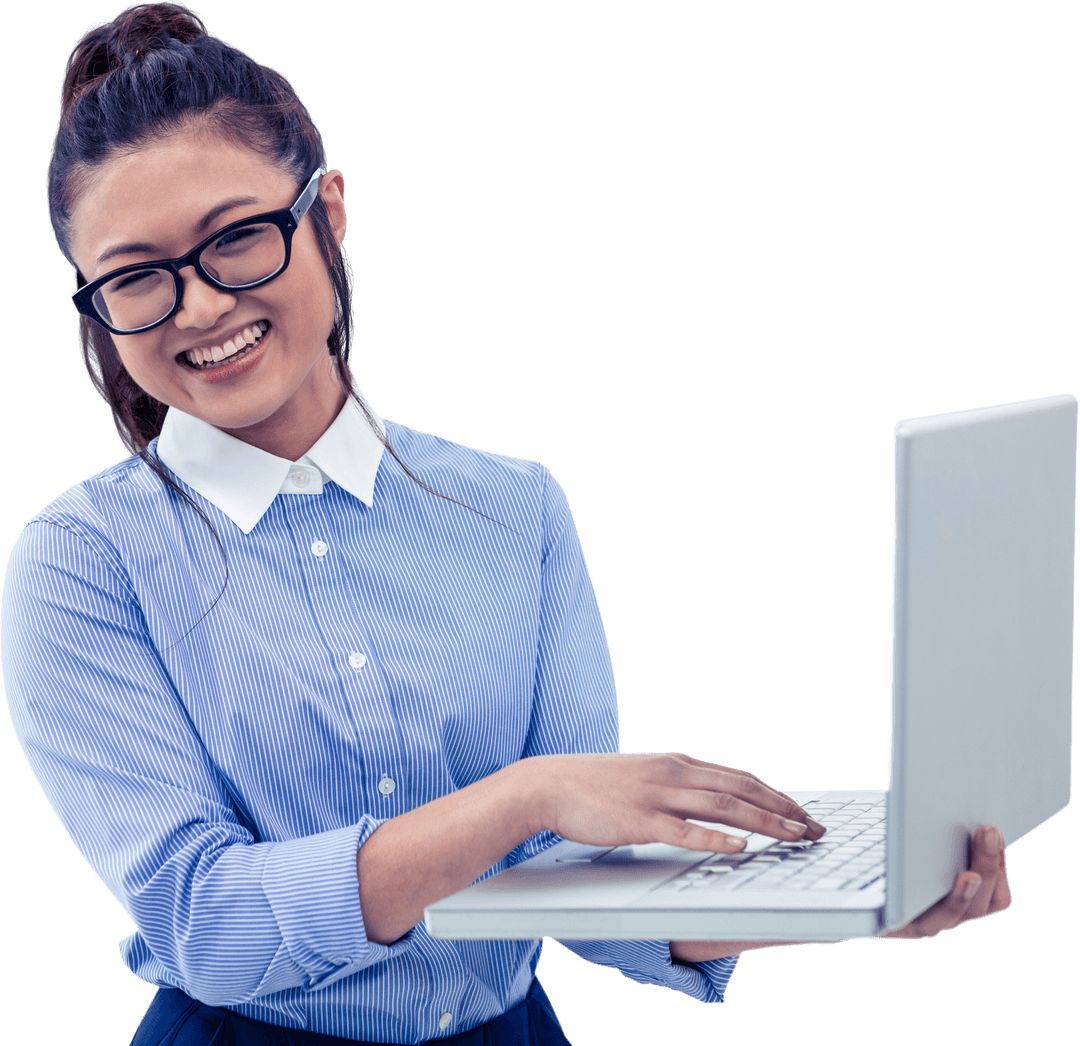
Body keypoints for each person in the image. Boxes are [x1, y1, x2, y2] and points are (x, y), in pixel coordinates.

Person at [2, 4, 1012, 1044]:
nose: (200, 305)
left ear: (328, 212)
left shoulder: (513, 505)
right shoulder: (83, 564)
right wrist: (523, 796)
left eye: (238, 238)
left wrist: (857, 905)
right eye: (136, 276)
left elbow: (577, 884)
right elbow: (202, 919)